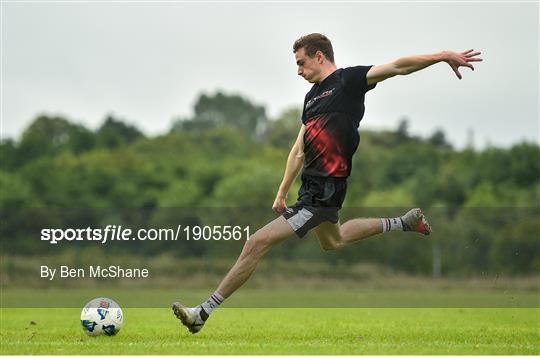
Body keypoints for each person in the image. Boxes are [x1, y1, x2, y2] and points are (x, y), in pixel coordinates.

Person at [172, 33, 483, 333]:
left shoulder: (348, 82)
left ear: (319, 57)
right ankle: (403, 222)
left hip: (325, 190)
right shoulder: (310, 99)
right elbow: (298, 150)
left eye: (301, 62)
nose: (298, 71)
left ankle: (202, 312)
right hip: (312, 188)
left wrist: (443, 56)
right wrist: (282, 190)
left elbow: (398, 66)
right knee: (333, 241)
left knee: (256, 242)